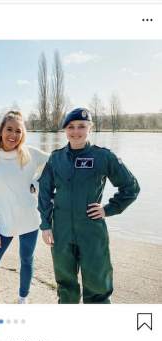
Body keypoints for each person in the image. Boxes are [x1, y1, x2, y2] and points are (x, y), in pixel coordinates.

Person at [38, 107, 140, 304]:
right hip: (61, 233)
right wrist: (45, 225)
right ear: (65, 130)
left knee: (98, 286)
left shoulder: (103, 157)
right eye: (71, 127)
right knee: (65, 285)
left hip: (91, 232)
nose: (76, 132)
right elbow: (44, 193)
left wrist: (108, 209)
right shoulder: (56, 158)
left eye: (81, 127)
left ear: (90, 128)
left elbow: (131, 187)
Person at [0, 110, 49, 304]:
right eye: (9, 129)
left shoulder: (31, 154)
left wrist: (37, 182)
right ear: (0, 131)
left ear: (23, 134)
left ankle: (23, 298)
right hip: (2, 224)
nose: (13, 135)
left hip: (29, 219)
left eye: (18, 131)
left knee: (26, 260)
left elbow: (55, 162)